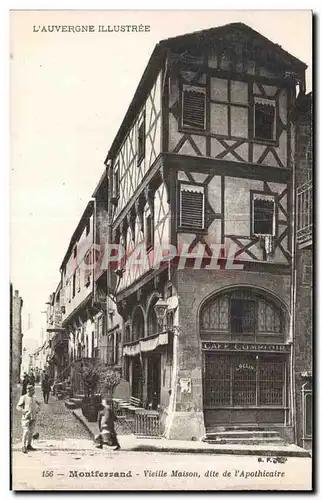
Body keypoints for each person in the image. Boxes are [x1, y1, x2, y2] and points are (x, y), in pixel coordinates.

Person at [16, 384, 41, 453]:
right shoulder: (23, 397)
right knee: (26, 431)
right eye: (32, 390)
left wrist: (37, 409)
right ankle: (23, 446)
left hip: (33, 417)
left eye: (33, 390)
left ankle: (29, 445)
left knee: (31, 432)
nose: (34, 391)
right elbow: (18, 406)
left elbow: (39, 404)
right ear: (28, 391)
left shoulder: (34, 397)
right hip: (26, 417)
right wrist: (23, 411)